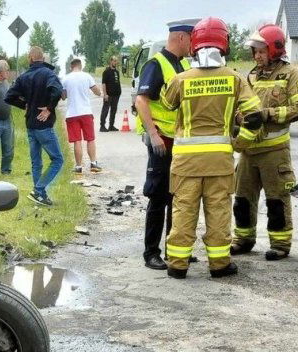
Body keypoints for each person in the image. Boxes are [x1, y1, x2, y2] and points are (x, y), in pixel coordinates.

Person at [160, 17, 262, 279]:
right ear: (223, 43)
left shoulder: (181, 79)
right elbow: (255, 117)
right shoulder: (235, 79)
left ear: (194, 44)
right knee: (218, 212)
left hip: (185, 164)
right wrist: (239, 143)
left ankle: (177, 265)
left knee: (183, 211)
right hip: (219, 162)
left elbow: (166, 102)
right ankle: (219, 264)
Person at [231, 25, 298, 261]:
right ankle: (243, 239)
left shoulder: (291, 74)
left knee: (276, 199)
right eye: (254, 51)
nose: (256, 56)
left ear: (275, 48)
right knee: (242, 198)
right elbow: (239, 107)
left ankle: (280, 244)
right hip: (248, 151)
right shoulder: (251, 75)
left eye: (261, 51)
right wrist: (238, 118)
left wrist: (267, 115)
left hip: (275, 152)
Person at [135, 19, 198, 270]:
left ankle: (175, 250)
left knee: (177, 196)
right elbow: (141, 101)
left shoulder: (182, 65)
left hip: (179, 141)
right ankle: (151, 252)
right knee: (158, 196)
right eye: (192, 39)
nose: (194, 45)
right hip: (162, 141)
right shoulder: (156, 64)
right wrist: (153, 134)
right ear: (181, 38)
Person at [5, 46, 64, 206]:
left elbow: (9, 97)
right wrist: (49, 108)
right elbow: (58, 91)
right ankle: (38, 189)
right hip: (43, 126)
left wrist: (24, 104)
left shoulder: (23, 76)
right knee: (58, 159)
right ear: (42, 59)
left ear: (30, 58)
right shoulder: (48, 74)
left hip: (30, 124)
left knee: (36, 162)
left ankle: (40, 195)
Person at [61, 58, 102, 174]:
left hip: (72, 114)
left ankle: (78, 166)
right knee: (90, 139)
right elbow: (96, 91)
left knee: (77, 140)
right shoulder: (87, 76)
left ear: (71, 67)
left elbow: (63, 96)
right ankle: (93, 163)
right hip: (86, 112)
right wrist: (100, 93)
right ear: (81, 66)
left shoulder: (66, 78)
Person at [100, 56, 122, 132]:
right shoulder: (106, 72)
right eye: (114, 61)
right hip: (108, 95)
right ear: (111, 61)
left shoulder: (117, 71)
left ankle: (111, 126)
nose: (116, 62)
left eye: (116, 61)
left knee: (113, 110)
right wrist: (105, 94)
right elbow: (103, 84)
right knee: (105, 110)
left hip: (116, 95)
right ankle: (102, 126)